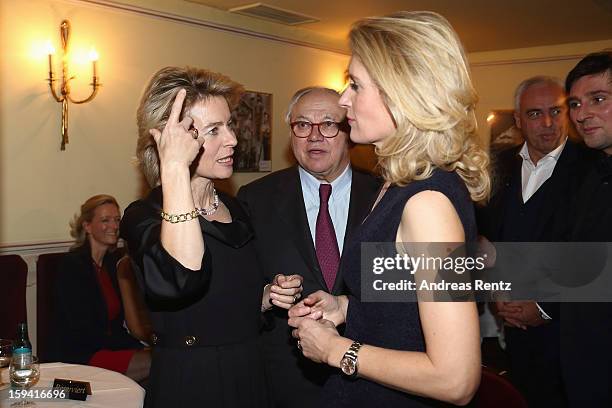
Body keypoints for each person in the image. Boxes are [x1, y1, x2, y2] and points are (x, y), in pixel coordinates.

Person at [288, 11, 490, 407]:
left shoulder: (427, 205)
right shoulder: (399, 183)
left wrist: (335, 350)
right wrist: (346, 307)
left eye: (355, 85)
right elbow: (404, 301)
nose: (343, 100)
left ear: (403, 93)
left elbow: (456, 378)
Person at [120, 66, 302, 407]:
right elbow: (180, 280)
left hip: (251, 372)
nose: (233, 139)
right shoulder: (142, 217)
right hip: (190, 382)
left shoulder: (240, 209)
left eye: (229, 125)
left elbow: (225, 297)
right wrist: (173, 168)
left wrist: (266, 295)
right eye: (214, 130)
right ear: (173, 139)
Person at [237, 87, 380, 408]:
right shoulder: (255, 198)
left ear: (350, 132)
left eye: (329, 124)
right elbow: (237, 290)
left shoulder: (384, 196)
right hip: (286, 378)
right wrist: (266, 293)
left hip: (372, 371)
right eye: (303, 125)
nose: (314, 136)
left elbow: (406, 288)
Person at [477, 76, 592, 407]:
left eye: (556, 111)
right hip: (511, 330)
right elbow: (485, 239)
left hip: (573, 334)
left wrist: (545, 306)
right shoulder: (496, 165)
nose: (547, 123)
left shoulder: (592, 168)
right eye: (534, 114)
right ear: (517, 120)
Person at [50, 194, 150, 382]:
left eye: (117, 220)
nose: (114, 226)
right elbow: (83, 331)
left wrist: (138, 345)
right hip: (80, 356)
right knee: (159, 362)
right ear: (87, 226)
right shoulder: (72, 266)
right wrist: (133, 347)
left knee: (162, 362)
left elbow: (115, 326)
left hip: (104, 349)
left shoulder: (111, 265)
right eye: (105, 220)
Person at [562, 50, 612, 407]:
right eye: (576, 103)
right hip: (584, 364)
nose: (581, 114)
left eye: (599, 99)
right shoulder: (590, 176)